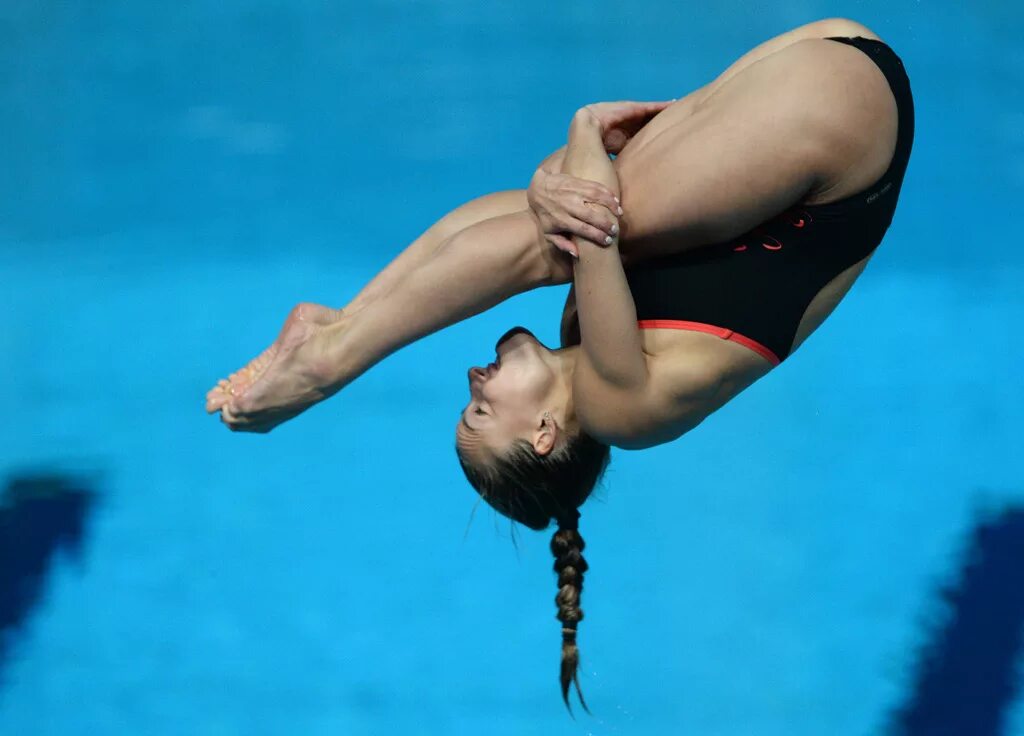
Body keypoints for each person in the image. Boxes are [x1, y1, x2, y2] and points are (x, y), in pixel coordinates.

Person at [206, 18, 914, 712]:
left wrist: (558, 177)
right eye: (482, 410)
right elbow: (587, 220)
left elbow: (521, 207)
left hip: (825, 77)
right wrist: (580, 137)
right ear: (544, 433)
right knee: (552, 242)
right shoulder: (621, 412)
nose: (472, 379)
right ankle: (328, 361)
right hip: (839, 123)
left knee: (541, 228)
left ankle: (339, 324)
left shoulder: (582, 336)